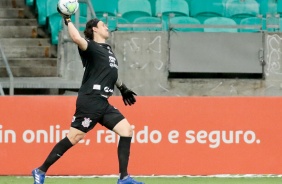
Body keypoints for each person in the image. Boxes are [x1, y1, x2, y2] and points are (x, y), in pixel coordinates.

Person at [32, 6, 144, 184]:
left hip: (103, 102)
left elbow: (110, 73)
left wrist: (123, 88)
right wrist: (67, 19)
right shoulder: (89, 46)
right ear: (94, 29)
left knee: (127, 130)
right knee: (75, 137)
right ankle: (40, 170)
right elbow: (76, 38)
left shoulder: (107, 49)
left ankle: (124, 178)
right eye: (103, 25)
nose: (107, 27)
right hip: (90, 100)